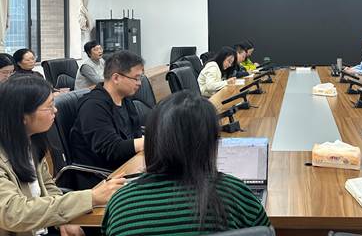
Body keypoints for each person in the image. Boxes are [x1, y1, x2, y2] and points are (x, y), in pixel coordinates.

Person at [102, 91, 270, 236]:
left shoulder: (120, 204)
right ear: (210, 143)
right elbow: (265, 230)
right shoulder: (236, 194)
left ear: (152, 140)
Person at [0, 75, 125, 236]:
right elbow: (12, 213)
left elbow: (49, 186)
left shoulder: (30, 143)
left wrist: (63, 219)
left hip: (43, 228)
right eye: (49, 106)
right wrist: (91, 197)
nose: (55, 110)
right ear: (22, 116)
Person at [70, 51, 144, 187]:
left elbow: (136, 134)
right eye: (136, 78)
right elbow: (111, 149)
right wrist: (149, 142)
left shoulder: (125, 100)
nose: (139, 83)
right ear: (116, 78)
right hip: (103, 178)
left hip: (125, 167)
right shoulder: (93, 106)